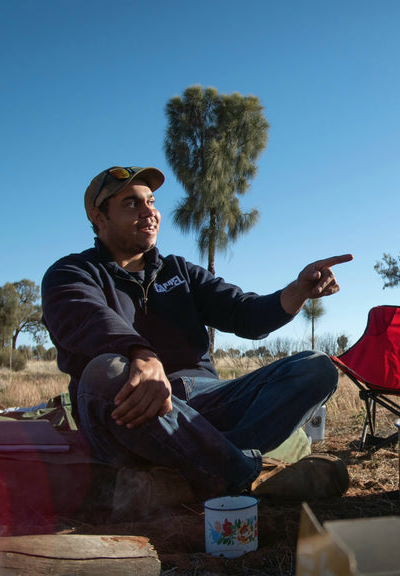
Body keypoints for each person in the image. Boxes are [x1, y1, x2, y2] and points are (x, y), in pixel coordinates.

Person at [41, 165, 353, 515]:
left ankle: (187, 474)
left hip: (206, 404)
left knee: (316, 369)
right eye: (131, 204)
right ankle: (246, 475)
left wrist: (297, 291)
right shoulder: (71, 273)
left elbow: (244, 313)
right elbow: (86, 319)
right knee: (105, 372)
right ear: (99, 218)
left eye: (151, 201)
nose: (149, 212)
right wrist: (141, 354)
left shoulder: (179, 271)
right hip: (137, 417)